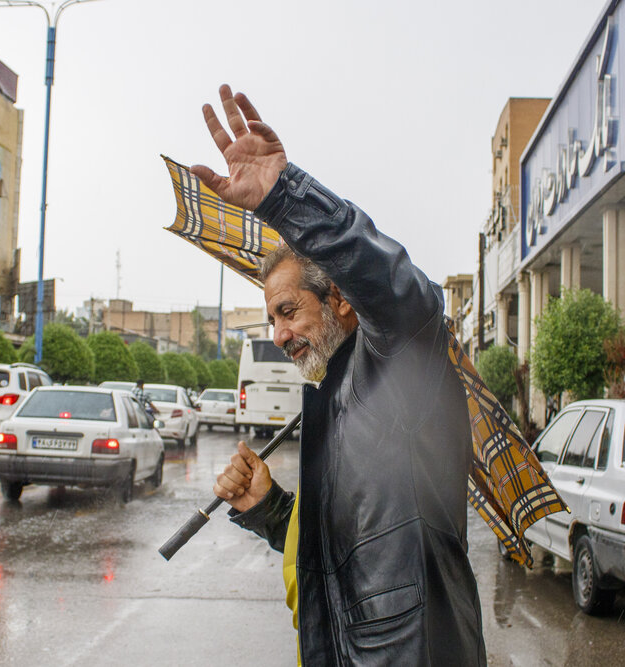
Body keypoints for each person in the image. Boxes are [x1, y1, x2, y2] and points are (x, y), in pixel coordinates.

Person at [200, 85, 486, 665]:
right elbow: (345, 556)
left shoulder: (398, 362)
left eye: (288, 311)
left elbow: (397, 286)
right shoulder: (330, 397)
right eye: (270, 319)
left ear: (343, 302)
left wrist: (285, 198)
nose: (277, 335)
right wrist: (270, 508)